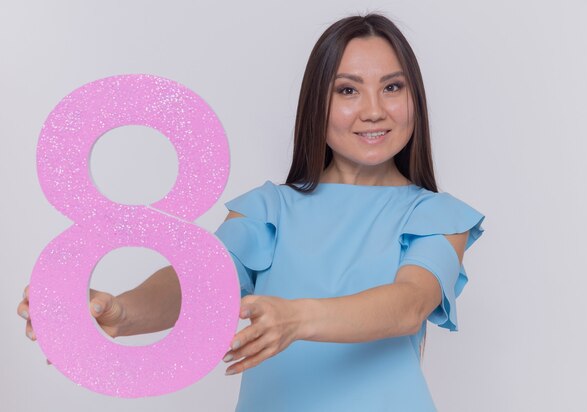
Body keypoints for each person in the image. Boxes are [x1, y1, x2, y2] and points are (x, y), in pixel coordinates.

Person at [18, 13, 485, 411]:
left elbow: (407, 306)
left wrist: (296, 319)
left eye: (392, 87)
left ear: (413, 99)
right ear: (316, 103)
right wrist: (118, 311)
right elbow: (197, 283)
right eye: (347, 90)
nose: (373, 110)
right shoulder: (269, 209)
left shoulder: (436, 216)